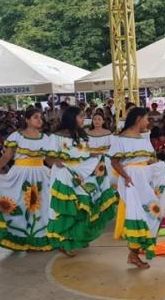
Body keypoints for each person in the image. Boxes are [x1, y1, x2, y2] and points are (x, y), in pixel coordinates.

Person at [46, 107, 117, 257]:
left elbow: (83, 152)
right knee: (68, 208)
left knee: (83, 205)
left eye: (83, 116)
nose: (83, 119)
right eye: (80, 116)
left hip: (81, 172)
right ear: (71, 117)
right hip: (64, 175)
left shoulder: (82, 133)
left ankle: (78, 236)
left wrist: (96, 154)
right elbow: (48, 158)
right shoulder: (56, 136)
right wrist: (57, 161)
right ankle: (63, 242)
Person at [0, 109, 54, 252]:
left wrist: (62, 168)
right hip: (20, 175)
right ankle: (20, 237)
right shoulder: (16, 136)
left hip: (41, 174)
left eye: (41, 117)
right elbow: (7, 156)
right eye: (35, 117)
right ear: (27, 120)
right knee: (20, 204)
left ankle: (38, 237)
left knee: (41, 207)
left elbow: (48, 159)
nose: (40, 120)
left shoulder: (45, 138)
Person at [107, 107, 165, 269]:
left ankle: (134, 253)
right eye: (146, 118)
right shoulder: (121, 139)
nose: (148, 122)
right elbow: (114, 162)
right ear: (138, 119)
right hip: (132, 180)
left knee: (153, 212)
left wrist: (156, 168)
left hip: (144, 179)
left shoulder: (143, 137)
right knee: (138, 215)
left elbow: (148, 159)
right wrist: (126, 177)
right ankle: (133, 254)